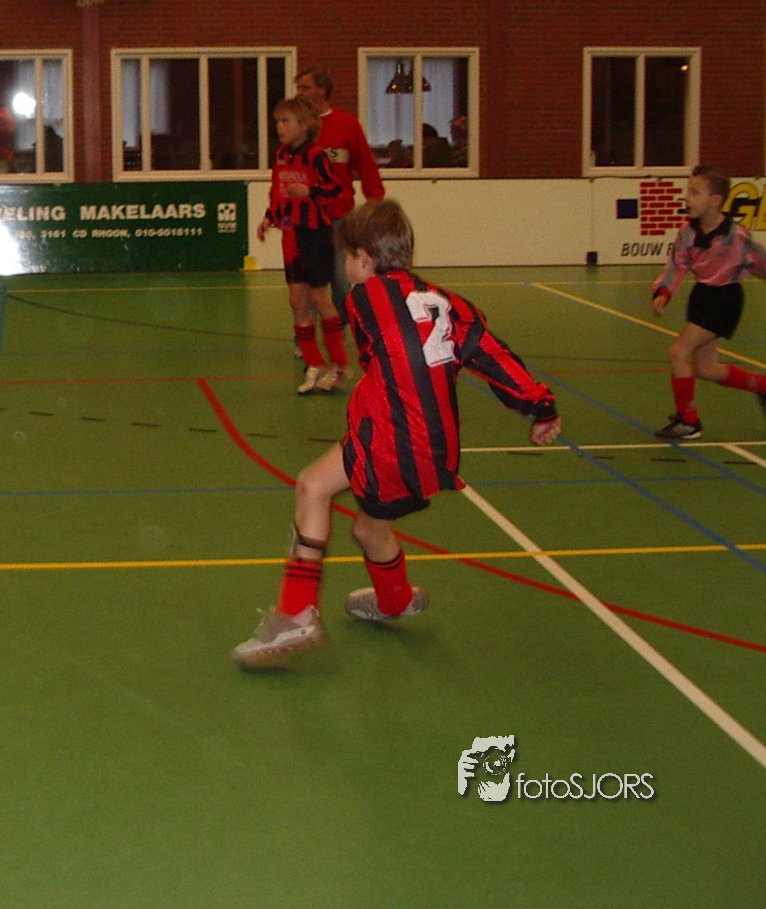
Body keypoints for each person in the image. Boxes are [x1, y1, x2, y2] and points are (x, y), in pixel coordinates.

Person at [234, 199, 561, 669]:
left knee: (311, 486)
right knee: (368, 529)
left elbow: (383, 347)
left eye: (348, 258)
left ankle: (296, 615)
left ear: (364, 259)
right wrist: (540, 405)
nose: (346, 268)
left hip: (391, 439)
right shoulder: (444, 301)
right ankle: (395, 600)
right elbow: (488, 351)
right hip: (435, 446)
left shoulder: (364, 296)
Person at [650, 166, 766, 440]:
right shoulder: (687, 232)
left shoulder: (735, 236)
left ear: (715, 200)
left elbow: (760, 262)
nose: (687, 197)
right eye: (687, 191)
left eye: (694, 192)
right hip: (701, 296)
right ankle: (762, 386)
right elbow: (677, 264)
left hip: (725, 299)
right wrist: (664, 291)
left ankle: (689, 421)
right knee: (705, 369)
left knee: (678, 352)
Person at [255, 97, 349, 394]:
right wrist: (269, 217)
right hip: (291, 234)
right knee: (297, 300)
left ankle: (339, 364)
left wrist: (310, 191)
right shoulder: (281, 155)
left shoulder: (317, 156)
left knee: (320, 298)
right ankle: (313, 363)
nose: (279, 127)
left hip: (315, 234)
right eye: (277, 121)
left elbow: (335, 189)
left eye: (286, 121)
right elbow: (277, 191)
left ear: (305, 125)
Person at [294, 67, 385, 318]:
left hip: (339, 216)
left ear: (322, 90)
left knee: (342, 280)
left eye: (305, 87)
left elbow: (366, 166)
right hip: (307, 218)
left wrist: (375, 204)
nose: (299, 93)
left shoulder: (347, 125)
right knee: (309, 284)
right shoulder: (298, 127)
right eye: (298, 88)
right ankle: (305, 333)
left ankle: (343, 327)